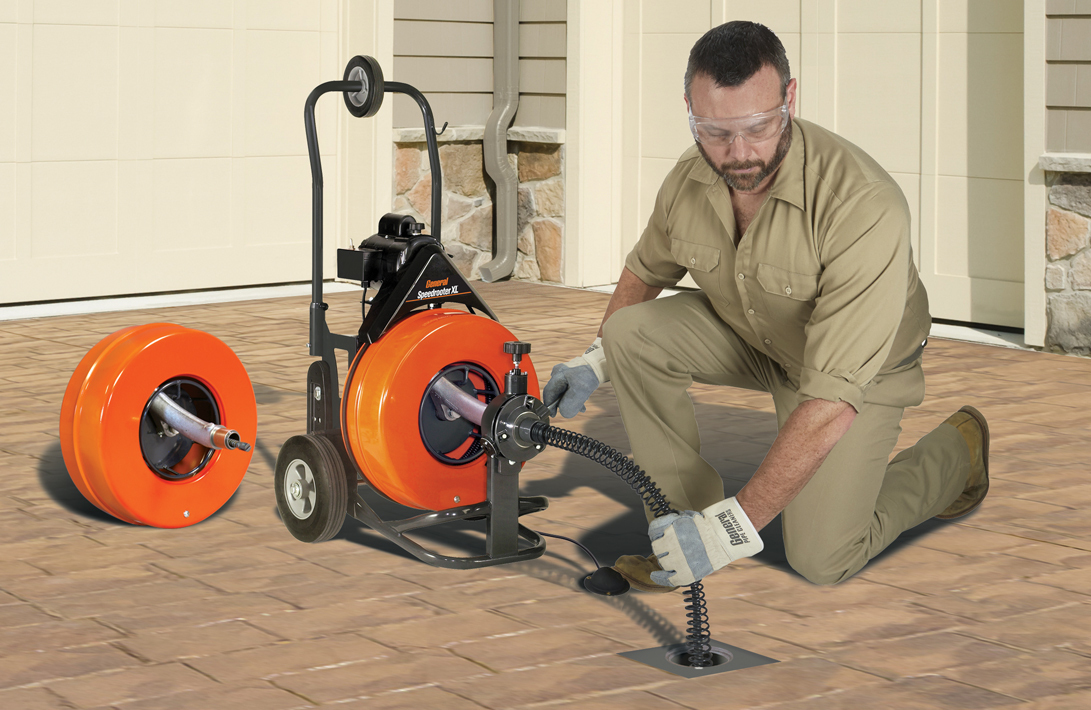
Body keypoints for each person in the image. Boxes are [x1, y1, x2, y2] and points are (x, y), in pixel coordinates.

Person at [543, 21, 989, 592]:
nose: (739, 153)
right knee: (630, 334)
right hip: (759, 340)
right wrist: (595, 358)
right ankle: (679, 528)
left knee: (823, 557)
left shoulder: (862, 205)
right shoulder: (690, 177)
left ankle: (957, 453)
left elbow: (831, 400)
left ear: (790, 98)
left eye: (758, 127)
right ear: (690, 110)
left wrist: (732, 531)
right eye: (715, 132)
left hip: (858, 375)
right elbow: (646, 269)